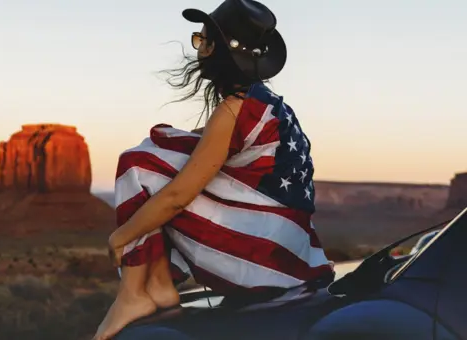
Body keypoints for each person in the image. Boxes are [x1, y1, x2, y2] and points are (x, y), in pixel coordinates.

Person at [92, 1, 335, 339]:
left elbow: (178, 197)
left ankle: (134, 294)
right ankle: (159, 282)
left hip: (263, 263)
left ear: (224, 49)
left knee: (138, 163)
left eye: (203, 40)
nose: (199, 48)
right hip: (288, 250)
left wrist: (122, 235)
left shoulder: (234, 110)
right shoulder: (266, 104)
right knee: (161, 147)